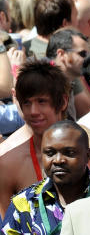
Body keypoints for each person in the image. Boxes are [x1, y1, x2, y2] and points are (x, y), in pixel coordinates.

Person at [0, 59, 70, 214]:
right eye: (27, 103)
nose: (33, 111)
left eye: (41, 101)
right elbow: (9, 232)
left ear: (63, 101)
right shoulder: (8, 163)